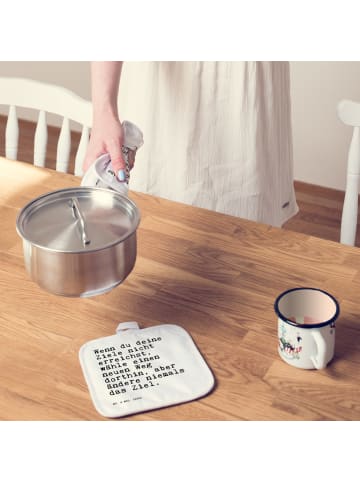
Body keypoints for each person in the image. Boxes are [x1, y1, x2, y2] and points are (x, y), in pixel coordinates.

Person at [83, 61, 298, 227]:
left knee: (249, 234)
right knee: (148, 228)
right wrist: (103, 113)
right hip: (162, 92)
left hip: (247, 87)